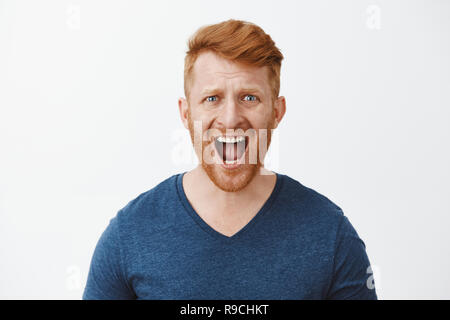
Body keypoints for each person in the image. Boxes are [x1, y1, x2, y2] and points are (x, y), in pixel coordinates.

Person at [83, 19, 377, 300]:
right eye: (212, 99)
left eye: (249, 98)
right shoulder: (129, 235)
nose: (230, 119)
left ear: (277, 112)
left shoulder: (330, 234)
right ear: (186, 113)